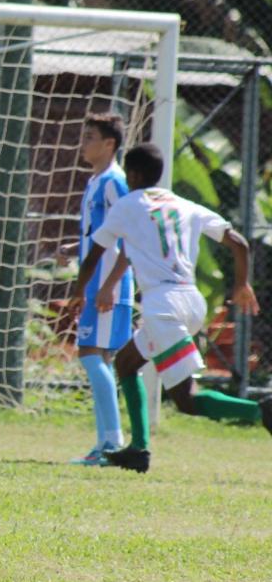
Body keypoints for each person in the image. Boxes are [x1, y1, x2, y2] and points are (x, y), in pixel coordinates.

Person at [67, 143, 270, 473]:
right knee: (127, 363)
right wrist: (241, 284)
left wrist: (79, 292)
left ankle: (260, 410)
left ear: (133, 175)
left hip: (162, 307)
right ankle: (137, 449)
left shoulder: (127, 205)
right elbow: (239, 243)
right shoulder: (185, 204)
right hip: (191, 301)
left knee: (187, 400)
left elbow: (93, 256)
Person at [56, 113, 134, 466]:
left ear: (109, 144)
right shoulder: (95, 182)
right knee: (97, 357)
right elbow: (104, 235)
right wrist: (75, 249)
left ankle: (112, 444)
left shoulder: (115, 182)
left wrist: (109, 285)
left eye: (90, 137)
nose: (83, 143)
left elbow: (131, 235)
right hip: (96, 284)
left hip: (106, 287)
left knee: (90, 354)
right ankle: (104, 443)